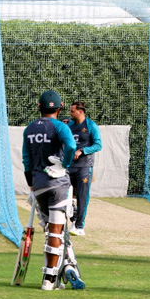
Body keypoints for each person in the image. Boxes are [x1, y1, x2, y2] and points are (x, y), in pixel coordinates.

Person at [22, 90, 84, 291]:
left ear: (39, 107)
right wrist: (64, 164)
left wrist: (31, 183)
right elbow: (70, 146)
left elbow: (26, 160)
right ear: (60, 107)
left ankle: (68, 266)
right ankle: (49, 279)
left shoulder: (29, 129)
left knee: (53, 230)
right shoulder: (61, 127)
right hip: (58, 185)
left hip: (38, 185)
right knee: (55, 232)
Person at [67, 101, 102, 236]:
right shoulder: (69, 126)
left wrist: (82, 150)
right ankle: (73, 216)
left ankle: (79, 226)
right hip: (69, 166)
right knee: (65, 194)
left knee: (82, 196)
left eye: (72, 111)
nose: (70, 113)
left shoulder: (91, 125)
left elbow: (98, 145)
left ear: (80, 112)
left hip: (84, 166)